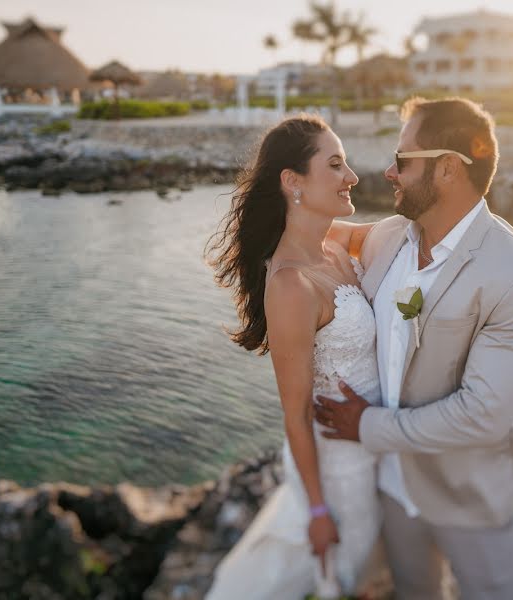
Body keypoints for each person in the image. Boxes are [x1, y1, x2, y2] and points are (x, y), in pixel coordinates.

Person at [315, 97, 513, 600]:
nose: (388, 171)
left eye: (403, 160)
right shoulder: (388, 237)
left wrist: (365, 426)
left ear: (449, 168)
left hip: (472, 499)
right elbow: (312, 233)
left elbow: (483, 414)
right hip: (391, 489)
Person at [204, 115, 381, 599]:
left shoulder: (336, 244)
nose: (352, 177)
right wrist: (319, 510)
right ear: (293, 182)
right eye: (336, 164)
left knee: (360, 573)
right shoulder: (289, 285)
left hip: (374, 447)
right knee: (331, 575)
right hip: (337, 468)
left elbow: (408, 231)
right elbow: (296, 413)